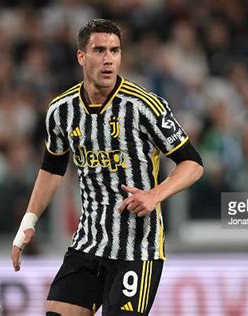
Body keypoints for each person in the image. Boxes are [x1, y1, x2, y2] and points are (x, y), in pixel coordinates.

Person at [11, 18, 203, 316]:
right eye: (99, 50)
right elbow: (52, 169)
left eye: (115, 51)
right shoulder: (61, 111)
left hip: (137, 249)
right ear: (81, 57)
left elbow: (192, 163)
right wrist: (28, 222)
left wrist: (154, 195)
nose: (108, 59)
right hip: (89, 242)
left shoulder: (144, 107)